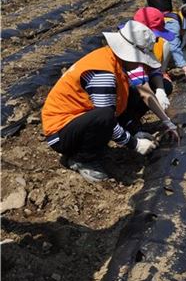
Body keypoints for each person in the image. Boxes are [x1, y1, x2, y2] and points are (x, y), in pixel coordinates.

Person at [41, 21, 177, 183]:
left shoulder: (114, 60)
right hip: (60, 132)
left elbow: (121, 105)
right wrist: (135, 144)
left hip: (81, 118)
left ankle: (96, 145)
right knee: (104, 115)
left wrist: (134, 130)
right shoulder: (103, 74)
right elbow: (108, 119)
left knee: (126, 97)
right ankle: (82, 159)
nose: (142, 63)